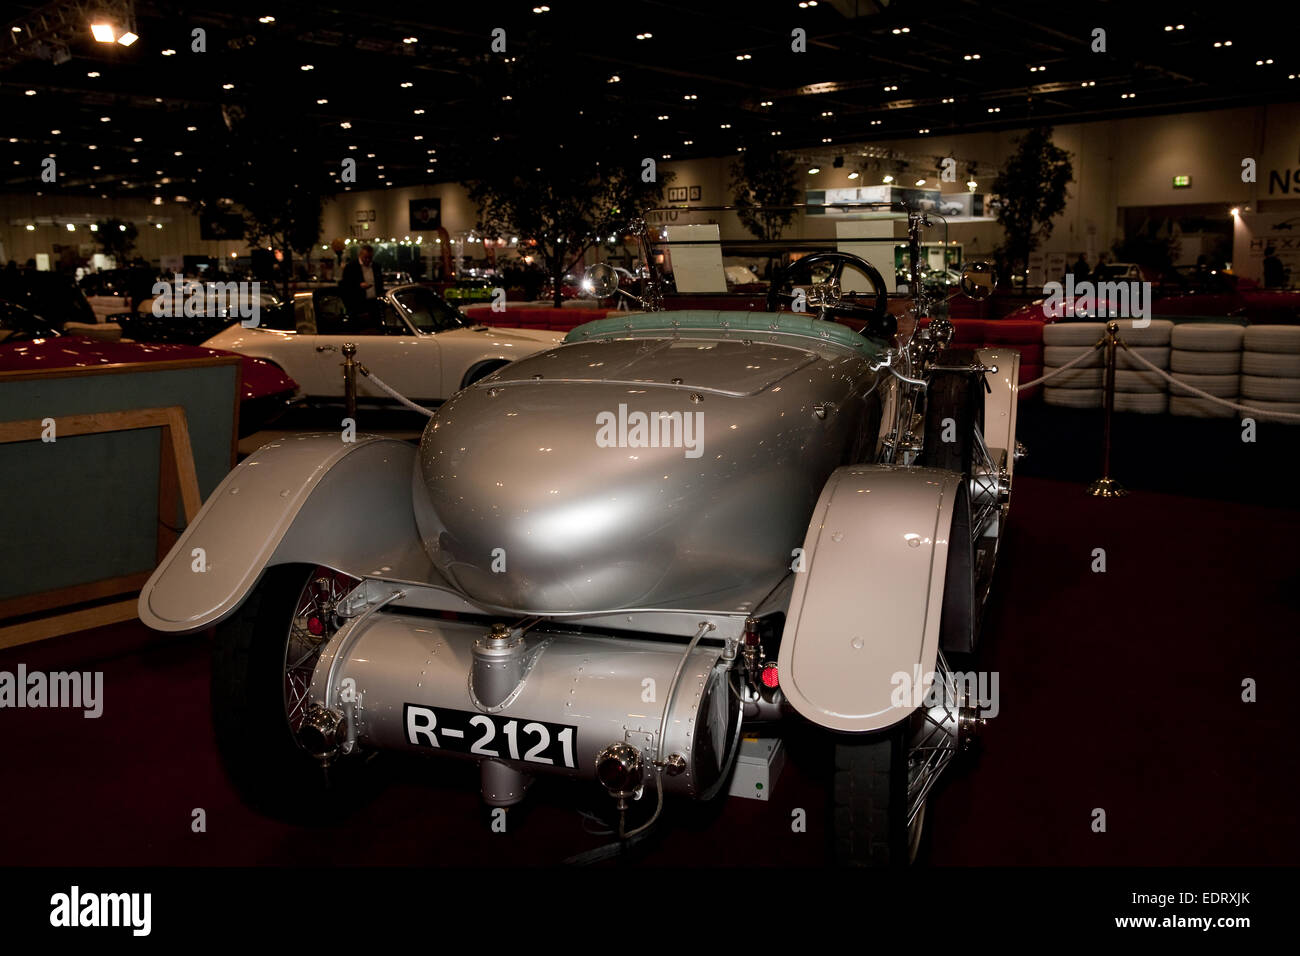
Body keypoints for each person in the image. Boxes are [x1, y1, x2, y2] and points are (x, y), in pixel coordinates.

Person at [340, 244, 384, 315]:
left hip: (374, 302)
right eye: (365, 257)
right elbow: (345, 286)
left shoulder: (376, 266)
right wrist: (359, 286)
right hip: (358, 303)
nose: (368, 260)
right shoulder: (351, 267)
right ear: (360, 255)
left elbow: (380, 283)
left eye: (370, 257)